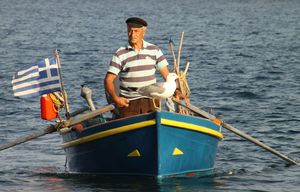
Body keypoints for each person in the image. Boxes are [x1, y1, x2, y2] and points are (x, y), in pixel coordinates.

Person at [104, 17, 170, 118]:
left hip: (151, 102)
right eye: (129, 31)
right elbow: (108, 80)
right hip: (129, 104)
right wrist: (116, 99)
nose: (132, 34)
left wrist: (177, 91)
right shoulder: (120, 54)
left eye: (136, 31)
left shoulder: (154, 50)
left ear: (144, 32)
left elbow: (168, 77)